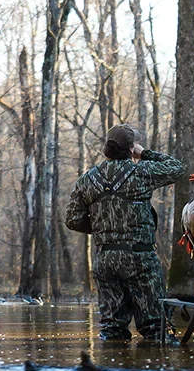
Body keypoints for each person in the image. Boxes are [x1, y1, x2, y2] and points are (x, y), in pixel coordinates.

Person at [64, 123, 185, 340]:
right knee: (156, 328)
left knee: (112, 330)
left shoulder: (86, 180)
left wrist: (103, 228)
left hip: (106, 259)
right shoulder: (141, 172)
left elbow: (72, 220)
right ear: (131, 149)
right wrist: (145, 154)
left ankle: (110, 370)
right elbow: (176, 167)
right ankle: (155, 367)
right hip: (140, 259)